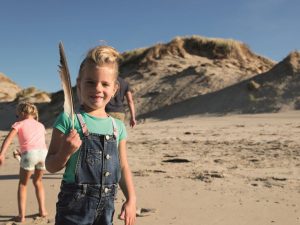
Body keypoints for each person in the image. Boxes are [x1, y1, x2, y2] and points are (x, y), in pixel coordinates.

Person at [46, 45, 136, 225]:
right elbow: (50, 165)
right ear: (79, 84)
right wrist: (65, 152)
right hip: (74, 207)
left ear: (115, 89)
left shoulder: (117, 126)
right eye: (90, 82)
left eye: (105, 84)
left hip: (107, 207)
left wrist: (131, 199)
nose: (97, 88)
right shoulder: (68, 120)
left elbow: (123, 167)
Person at [0, 102, 48, 223]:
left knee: (23, 184)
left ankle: (21, 216)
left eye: (17, 115)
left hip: (29, 154)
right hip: (43, 154)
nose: (17, 118)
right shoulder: (40, 125)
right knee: (38, 181)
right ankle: (43, 210)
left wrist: (2, 153)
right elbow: (38, 143)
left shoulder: (19, 124)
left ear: (22, 113)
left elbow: (8, 138)